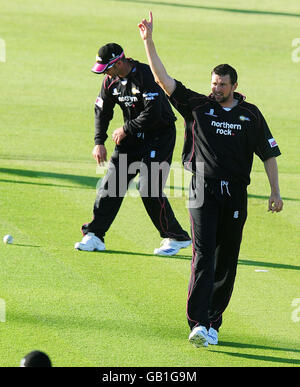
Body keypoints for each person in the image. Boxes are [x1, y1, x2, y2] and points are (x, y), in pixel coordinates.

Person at [138, 12, 283, 347]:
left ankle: (214, 321)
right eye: (213, 83)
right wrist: (148, 42)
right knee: (202, 255)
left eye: (222, 84)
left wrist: (275, 191)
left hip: (235, 195)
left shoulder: (251, 115)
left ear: (234, 87)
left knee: (226, 260)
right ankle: (198, 323)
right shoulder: (199, 106)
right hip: (202, 190)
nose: (215, 88)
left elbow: (269, 154)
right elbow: (164, 80)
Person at [75, 43, 191, 255]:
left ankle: (176, 237)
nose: (106, 73)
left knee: (148, 189)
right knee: (111, 185)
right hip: (130, 139)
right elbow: (102, 111)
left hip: (159, 137)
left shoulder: (146, 75)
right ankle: (95, 235)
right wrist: (99, 141)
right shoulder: (110, 81)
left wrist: (126, 128)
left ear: (119, 62)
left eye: (108, 68)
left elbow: (153, 112)